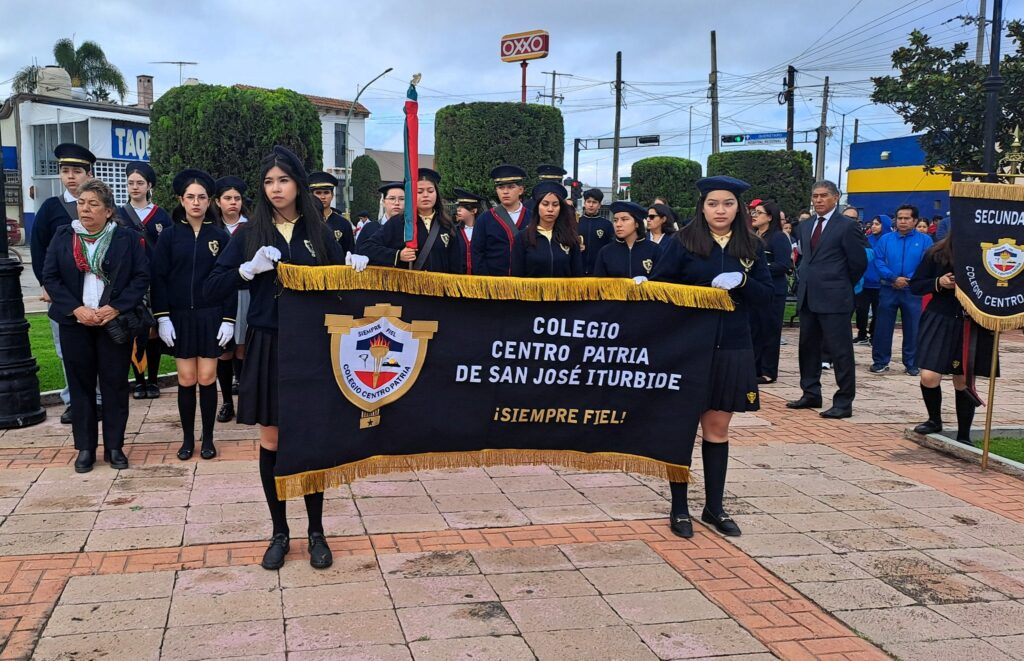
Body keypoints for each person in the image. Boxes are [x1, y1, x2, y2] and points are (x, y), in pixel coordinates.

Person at [205, 146, 345, 571]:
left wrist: (354, 272)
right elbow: (213, 285)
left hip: (311, 344)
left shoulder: (320, 231)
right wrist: (247, 271)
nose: (275, 188)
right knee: (273, 441)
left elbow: (337, 290)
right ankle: (279, 531)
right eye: (268, 181)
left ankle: (316, 531)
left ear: (298, 184)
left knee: (310, 440)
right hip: (267, 342)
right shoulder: (248, 234)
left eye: (283, 180)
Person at [650, 175, 772, 539]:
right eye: (713, 204)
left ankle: (714, 506)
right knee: (683, 429)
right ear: (702, 207)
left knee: (717, 431)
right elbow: (659, 287)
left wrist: (744, 283)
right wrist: (700, 292)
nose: (721, 210)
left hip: (733, 345)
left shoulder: (751, 245)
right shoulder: (682, 241)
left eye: (728, 204)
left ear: (739, 208)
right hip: (689, 345)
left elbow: (767, 298)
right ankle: (679, 507)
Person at [42, 178, 149, 473]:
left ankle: (115, 446)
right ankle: (85, 448)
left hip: (112, 322)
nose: (85, 209)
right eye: (81, 203)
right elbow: (51, 278)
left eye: (93, 204)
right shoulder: (64, 236)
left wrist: (115, 308)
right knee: (81, 386)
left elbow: (140, 278)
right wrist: (76, 309)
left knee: (115, 385)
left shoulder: (125, 238)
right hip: (75, 322)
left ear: (108, 211)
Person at [152, 169, 235, 462]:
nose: (196, 202)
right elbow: (158, 278)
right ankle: (188, 439)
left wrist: (229, 318)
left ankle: (208, 437)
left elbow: (228, 279)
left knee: (207, 375)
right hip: (179, 317)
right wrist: (162, 317)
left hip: (211, 315)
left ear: (209, 200)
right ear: (181, 200)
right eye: (191, 197)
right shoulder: (170, 236)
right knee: (187, 378)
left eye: (202, 197)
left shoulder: (220, 236)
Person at [31, 143, 102, 424]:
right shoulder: (51, 208)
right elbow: (39, 250)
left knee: (99, 347)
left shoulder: (103, 205)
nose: (71, 177)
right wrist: (47, 286)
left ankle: (97, 399)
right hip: (65, 294)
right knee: (67, 350)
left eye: (77, 171)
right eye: (65, 171)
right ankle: (73, 400)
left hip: (97, 291)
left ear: (89, 173)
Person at [786, 181, 869, 419]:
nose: (818, 200)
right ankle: (810, 392)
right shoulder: (805, 225)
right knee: (808, 347)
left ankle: (844, 401)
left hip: (835, 297)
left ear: (836, 197)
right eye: (815, 196)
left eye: (824, 196)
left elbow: (858, 262)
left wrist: (841, 283)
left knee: (840, 351)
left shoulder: (846, 226)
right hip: (808, 296)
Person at [910, 230, 993, 445]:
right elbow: (916, 285)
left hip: (972, 320)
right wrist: (939, 282)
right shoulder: (936, 253)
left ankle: (964, 434)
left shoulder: (986, 252)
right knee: (929, 376)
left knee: (963, 379)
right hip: (940, 318)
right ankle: (934, 420)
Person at [118, 161, 172, 400]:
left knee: (154, 331)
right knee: (134, 330)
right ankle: (138, 380)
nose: (135, 187)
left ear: (149, 185)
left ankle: (153, 380)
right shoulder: (118, 215)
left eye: (140, 183)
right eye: (131, 183)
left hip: (156, 280)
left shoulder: (162, 216)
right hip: (129, 282)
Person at [870, 204, 932, 376]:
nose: (903, 221)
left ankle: (912, 363)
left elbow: (925, 262)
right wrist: (893, 278)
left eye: (907, 218)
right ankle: (880, 361)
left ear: (915, 221)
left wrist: (908, 279)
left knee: (913, 326)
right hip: (888, 287)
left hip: (912, 290)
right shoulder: (886, 239)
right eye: (900, 218)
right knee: (883, 325)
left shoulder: (925, 240)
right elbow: (878, 260)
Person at [363, 168, 458, 272]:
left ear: (436, 194)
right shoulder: (399, 222)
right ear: (411, 194)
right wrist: (398, 255)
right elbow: (367, 247)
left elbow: (456, 264)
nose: (426, 195)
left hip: (440, 286)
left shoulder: (446, 224)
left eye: (430, 191)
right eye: (419, 191)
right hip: (408, 286)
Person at [213, 176, 249, 423]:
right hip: (221, 294)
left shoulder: (252, 226)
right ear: (218, 202)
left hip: (247, 292)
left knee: (243, 348)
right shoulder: (212, 229)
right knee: (223, 351)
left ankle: (246, 399)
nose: (232, 203)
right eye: (227, 198)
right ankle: (226, 401)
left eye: (237, 198)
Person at [750, 200, 793, 383]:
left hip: (773, 291)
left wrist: (760, 268)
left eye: (759, 212)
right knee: (755, 330)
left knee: (770, 330)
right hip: (756, 290)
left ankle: (768, 371)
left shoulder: (778, 237)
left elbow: (783, 265)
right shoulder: (754, 235)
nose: (754, 215)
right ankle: (754, 368)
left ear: (769, 217)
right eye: (754, 212)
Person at [510, 181, 583, 278]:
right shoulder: (523, 238)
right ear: (537, 207)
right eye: (545, 204)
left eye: (555, 204)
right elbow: (517, 275)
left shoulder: (570, 237)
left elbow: (577, 274)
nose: (550, 209)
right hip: (532, 292)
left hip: (563, 292)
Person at [471, 164, 530, 275]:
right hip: (494, 284)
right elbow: (477, 253)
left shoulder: (532, 218)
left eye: (511, 187)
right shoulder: (484, 219)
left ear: (521, 190)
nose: (505, 192)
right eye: (501, 187)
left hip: (526, 285)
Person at [594, 201, 660, 278]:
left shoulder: (655, 250)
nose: (618, 224)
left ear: (637, 223)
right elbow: (598, 285)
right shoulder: (605, 252)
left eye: (624, 219)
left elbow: (664, 283)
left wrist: (648, 283)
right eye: (615, 220)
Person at [853, 216, 890, 345]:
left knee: (878, 312)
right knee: (861, 310)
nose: (873, 226)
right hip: (865, 282)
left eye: (877, 224)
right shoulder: (867, 240)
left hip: (880, 283)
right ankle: (861, 334)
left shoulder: (888, 241)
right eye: (873, 223)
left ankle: (874, 335)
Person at [309, 171, 355, 257]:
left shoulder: (343, 224)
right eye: (318, 193)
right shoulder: (304, 221)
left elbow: (350, 253)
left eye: (326, 192)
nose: (323, 197)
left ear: (332, 195)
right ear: (311, 195)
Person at [355, 181, 403, 251]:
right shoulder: (369, 228)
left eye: (402, 199)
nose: (397, 203)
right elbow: (358, 252)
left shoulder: (410, 230)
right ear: (383, 202)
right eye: (392, 198)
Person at [576, 188, 613, 275]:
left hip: (599, 271)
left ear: (599, 205)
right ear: (584, 203)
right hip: (577, 271)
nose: (591, 205)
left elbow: (611, 248)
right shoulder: (575, 223)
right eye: (588, 202)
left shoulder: (607, 225)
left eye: (594, 202)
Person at [452, 188, 485, 274]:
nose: (458, 210)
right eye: (458, 206)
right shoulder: (454, 231)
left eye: (462, 207)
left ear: (473, 211)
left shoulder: (484, 231)